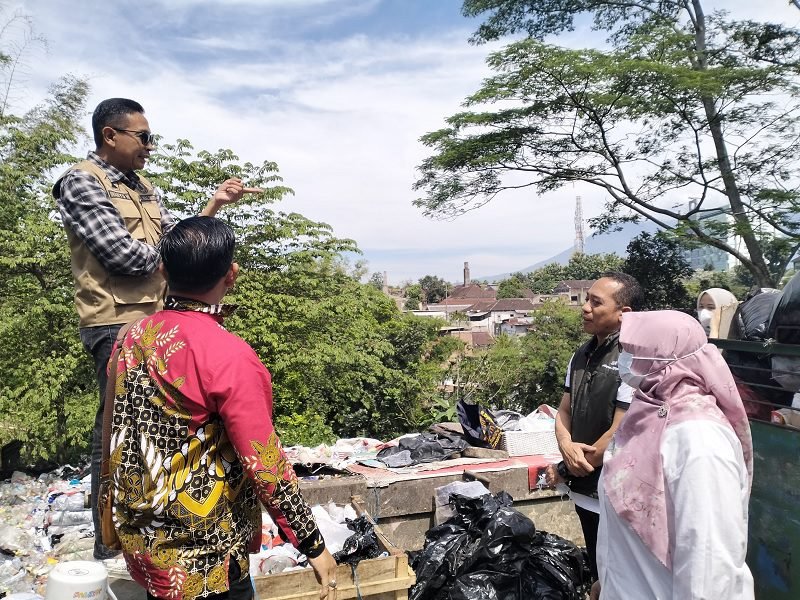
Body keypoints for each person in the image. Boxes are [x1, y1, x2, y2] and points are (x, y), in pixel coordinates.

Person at [53, 98, 260, 559]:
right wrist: (182, 258)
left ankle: (158, 528)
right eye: (143, 137)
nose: (150, 146)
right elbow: (124, 257)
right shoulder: (81, 182)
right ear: (110, 135)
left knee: (166, 427)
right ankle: (110, 543)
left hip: (157, 318)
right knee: (116, 429)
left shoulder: (143, 186)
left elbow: (175, 243)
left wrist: (213, 205)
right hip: (115, 321)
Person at [109, 217, 338, 600]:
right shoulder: (229, 356)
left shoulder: (132, 337)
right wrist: (313, 544)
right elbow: (265, 463)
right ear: (231, 275)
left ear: (162, 269)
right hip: (205, 558)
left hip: (145, 544)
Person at [591, 310, 754, 599]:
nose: (624, 359)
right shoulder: (648, 414)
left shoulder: (699, 439)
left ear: (665, 359)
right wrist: (607, 579)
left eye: (632, 350)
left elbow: (710, 566)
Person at [550, 272, 643, 582]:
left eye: (596, 302)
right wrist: (566, 446)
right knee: (598, 573)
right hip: (583, 491)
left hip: (613, 493)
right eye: (586, 299)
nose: (585, 307)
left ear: (623, 313)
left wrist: (566, 468)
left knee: (620, 578)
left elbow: (621, 430)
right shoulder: (581, 355)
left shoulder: (632, 360)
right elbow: (564, 410)